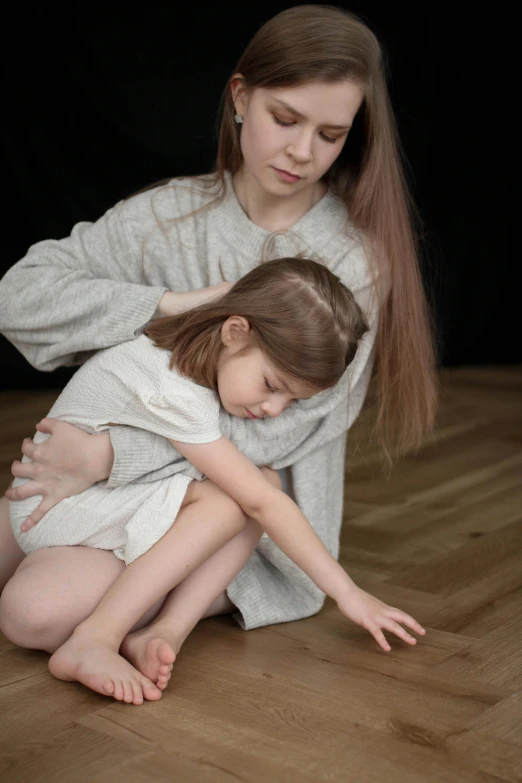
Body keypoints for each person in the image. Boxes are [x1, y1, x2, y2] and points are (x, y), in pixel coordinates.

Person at [0, 5, 437, 690]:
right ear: (240, 97)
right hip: (103, 485)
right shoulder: (164, 217)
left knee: (31, 611)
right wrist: (171, 305)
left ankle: (142, 613)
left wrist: (115, 454)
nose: (301, 152)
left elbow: (291, 429)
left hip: (238, 525)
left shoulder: (353, 264)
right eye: (285, 119)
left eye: (330, 134)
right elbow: (17, 296)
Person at [4, 257, 425, 704]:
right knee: (240, 499)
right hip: (62, 511)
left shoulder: (182, 357)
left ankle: (161, 631)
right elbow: (264, 504)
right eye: (271, 384)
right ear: (234, 331)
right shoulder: (173, 388)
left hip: (90, 502)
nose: (274, 409)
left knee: (257, 484)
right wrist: (349, 594)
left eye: (292, 400)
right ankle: (97, 637)